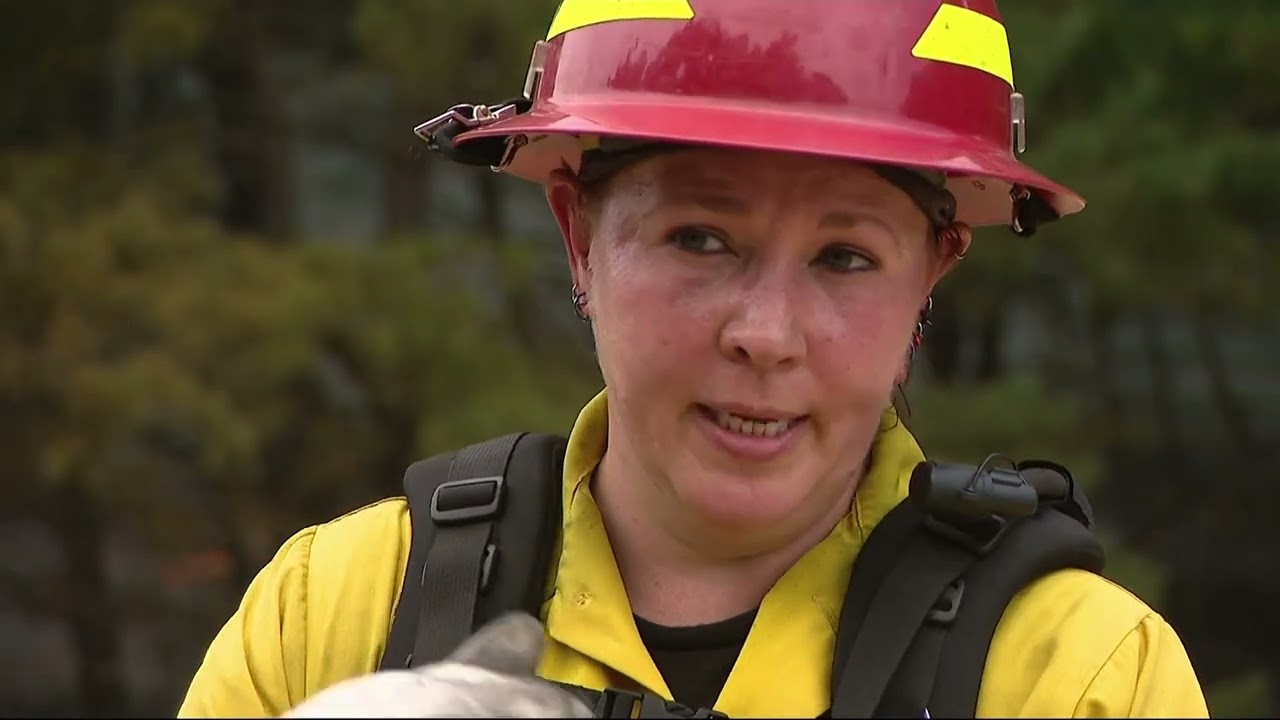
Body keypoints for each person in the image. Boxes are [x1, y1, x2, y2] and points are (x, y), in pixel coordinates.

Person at [178, 1, 1211, 717]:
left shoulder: (1072, 677)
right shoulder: (342, 612)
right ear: (576, 233)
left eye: (844, 258)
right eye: (698, 240)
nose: (763, 333)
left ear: (931, 276)